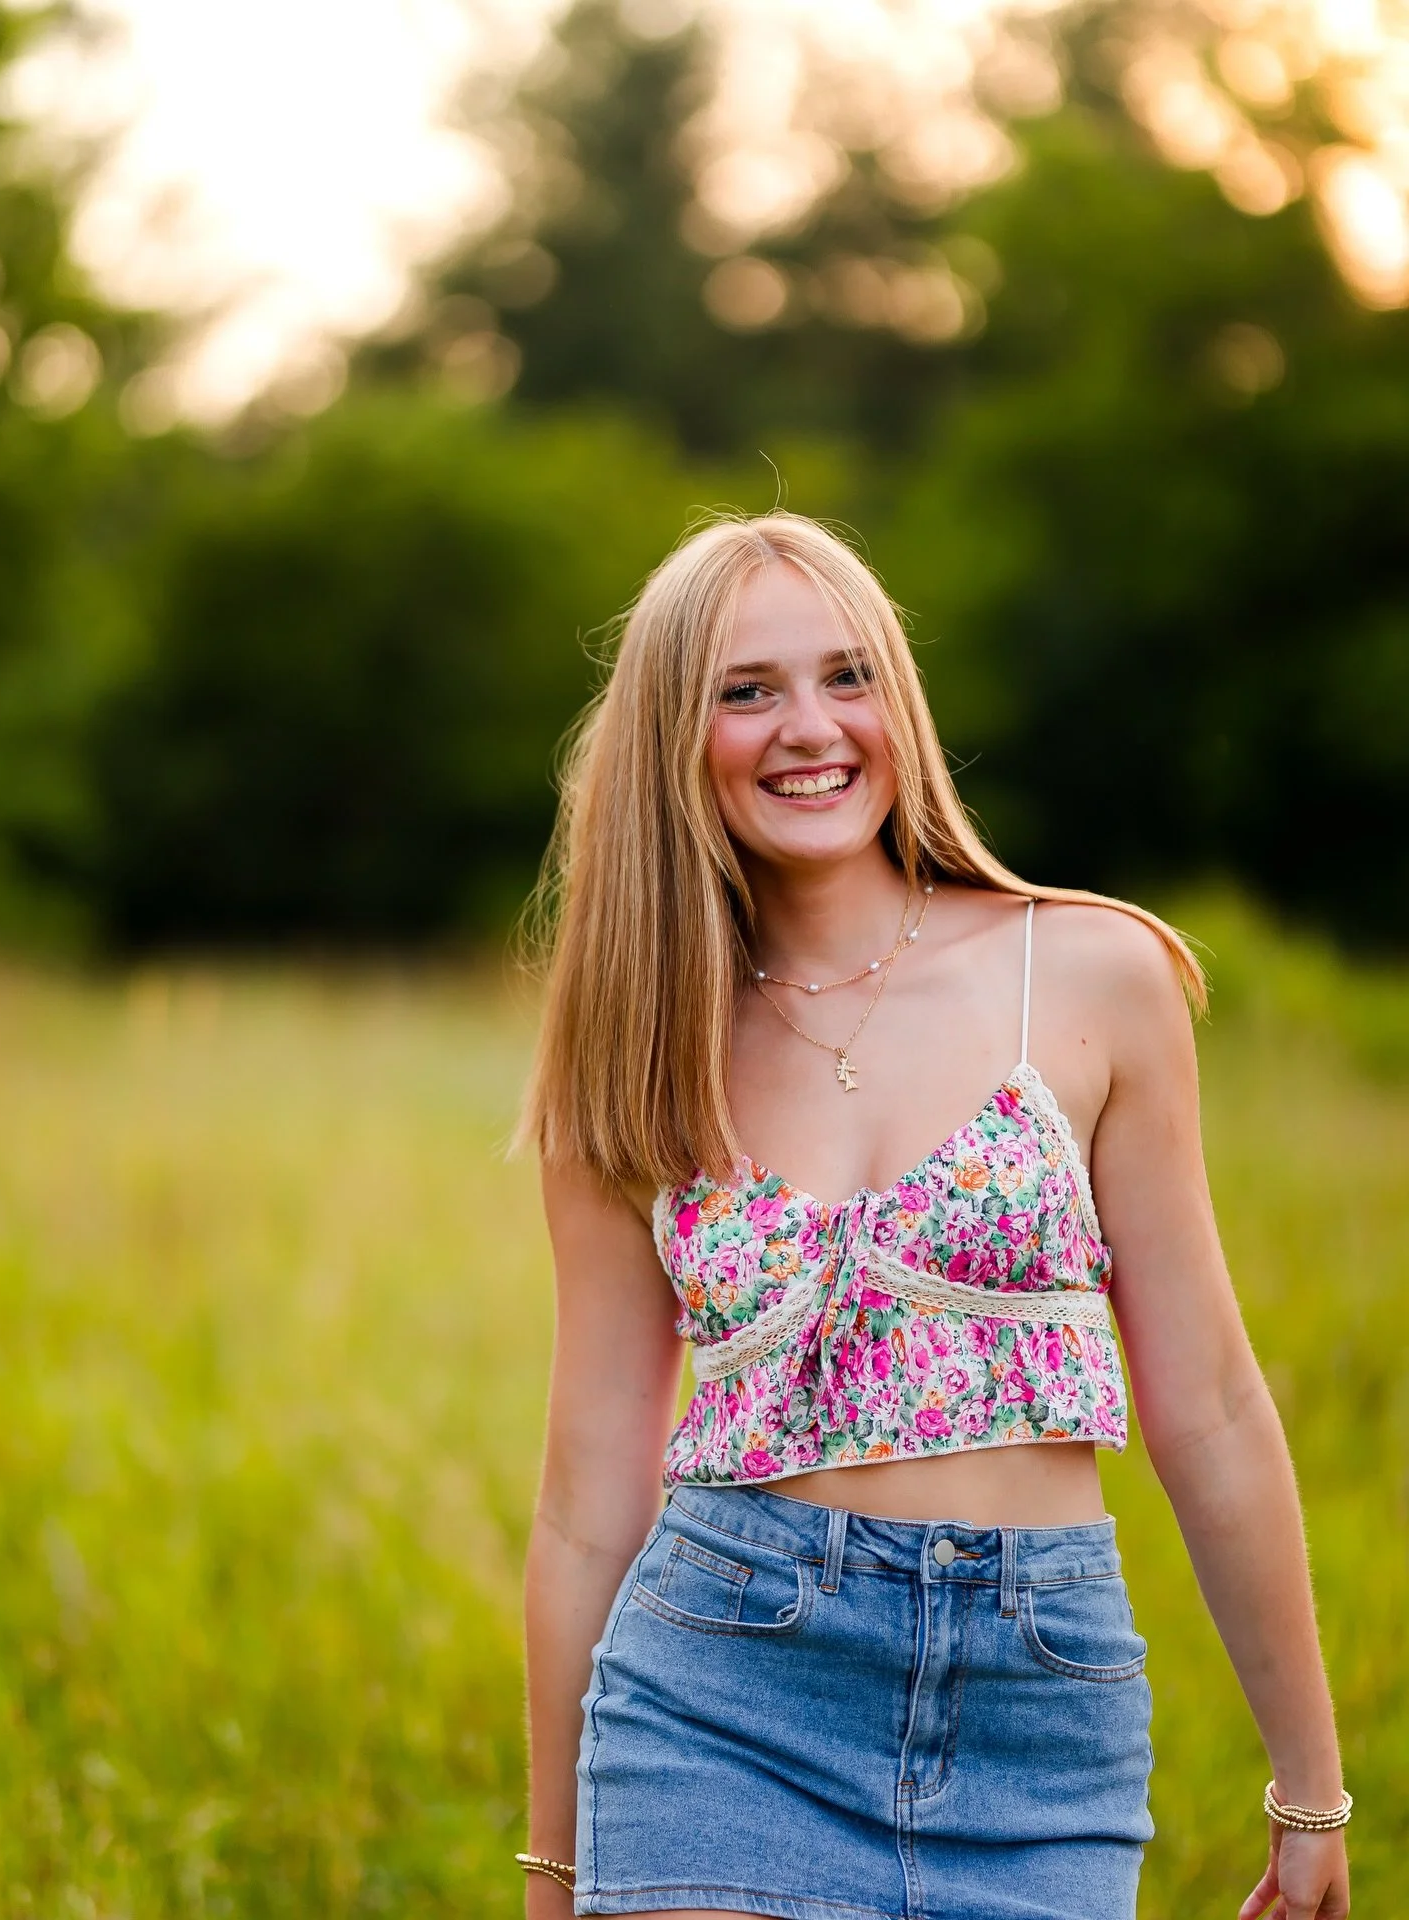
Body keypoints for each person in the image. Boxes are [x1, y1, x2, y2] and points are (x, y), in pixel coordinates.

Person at [514, 513, 1351, 1920]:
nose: (809, 729)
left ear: (899, 701)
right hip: (721, 1695)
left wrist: (1309, 1784)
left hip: (1038, 1725)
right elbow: (588, 1500)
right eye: (746, 690)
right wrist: (555, 1865)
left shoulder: (1091, 976)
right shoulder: (634, 1047)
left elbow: (1206, 1403)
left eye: (848, 677)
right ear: (676, 734)